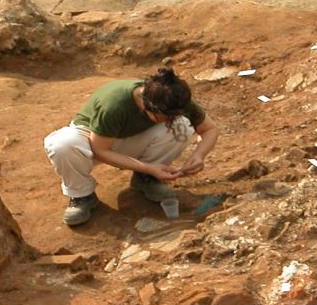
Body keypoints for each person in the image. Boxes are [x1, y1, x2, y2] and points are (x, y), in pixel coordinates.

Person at [44, 68, 219, 226]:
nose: (169, 120)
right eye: (163, 117)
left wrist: (199, 155)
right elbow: (100, 150)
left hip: (128, 140)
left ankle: (145, 179)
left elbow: (209, 129)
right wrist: (149, 167)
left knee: (182, 126)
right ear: (145, 105)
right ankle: (82, 195)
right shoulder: (114, 104)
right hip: (91, 141)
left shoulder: (172, 98)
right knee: (62, 145)